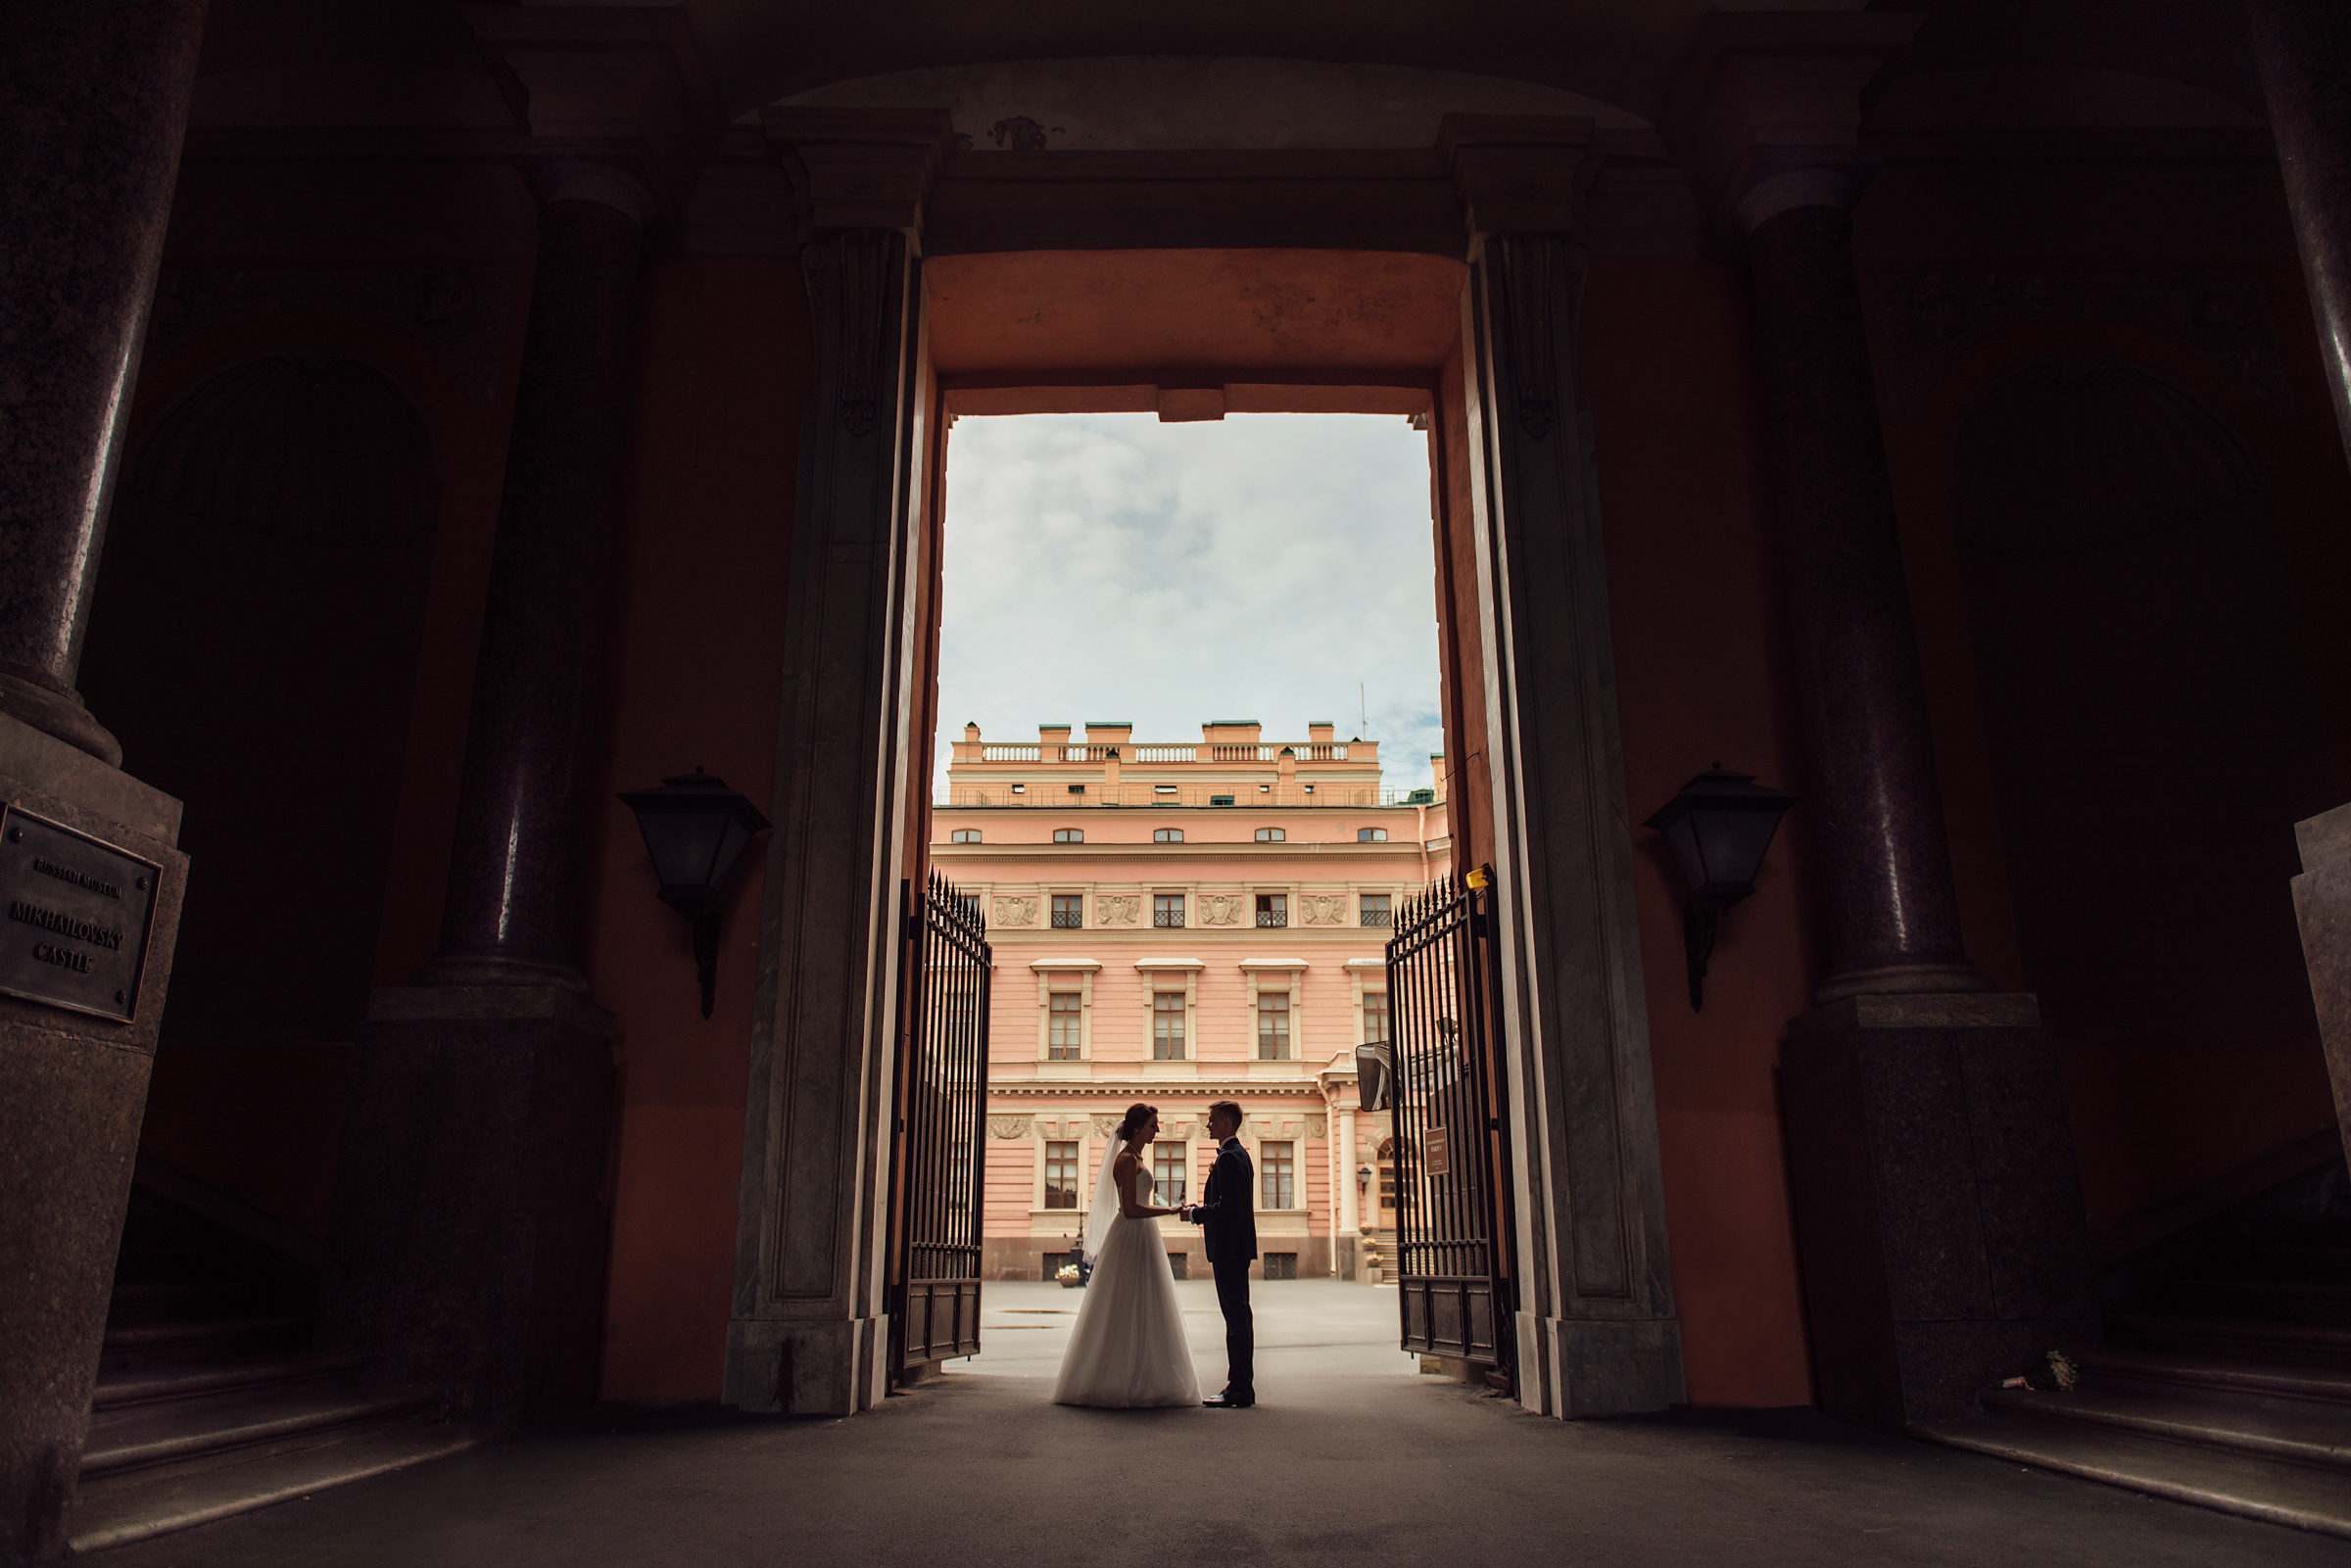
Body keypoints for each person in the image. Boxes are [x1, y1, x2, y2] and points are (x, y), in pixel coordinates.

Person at [1051, 1103, 1202, 1408]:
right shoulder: (1125, 1160)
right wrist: (1172, 1209)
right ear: (1136, 1128)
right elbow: (1131, 1209)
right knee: (1124, 1304)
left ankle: (1147, 1377)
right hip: (1132, 1235)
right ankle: (1117, 1379)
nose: (1157, 1130)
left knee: (1148, 1303)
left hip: (1144, 1236)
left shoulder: (1136, 1157)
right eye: (1152, 1125)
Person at [1186, 1101, 1256, 1408]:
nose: (1208, 1125)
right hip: (1236, 1247)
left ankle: (1239, 1389)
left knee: (1236, 1319)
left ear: (1227, 1122)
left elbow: (1229, 1207)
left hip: (1228, 1248)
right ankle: (1241, 1386)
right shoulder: (1240, 1155)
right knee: (1239, 1317)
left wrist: (1195, 1214)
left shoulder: (1229, 1158)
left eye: (1212, 1120)